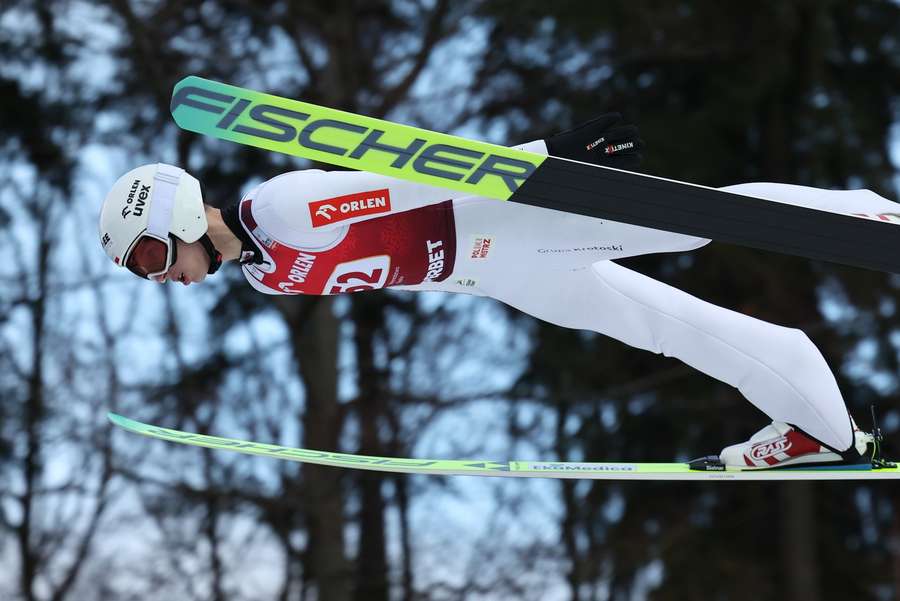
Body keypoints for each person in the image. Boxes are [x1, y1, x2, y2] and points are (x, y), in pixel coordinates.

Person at [98, 115, 899, 470]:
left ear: (173, 212)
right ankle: (820, 425)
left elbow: (410, 174)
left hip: (510, 221)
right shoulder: (266, 273)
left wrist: (558, 154)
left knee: (693, 224)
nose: (159, 276)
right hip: (494, 275)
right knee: (661, 324)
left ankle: (876, 216)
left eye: (149, 258)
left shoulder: (280, 208)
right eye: (142, 271)